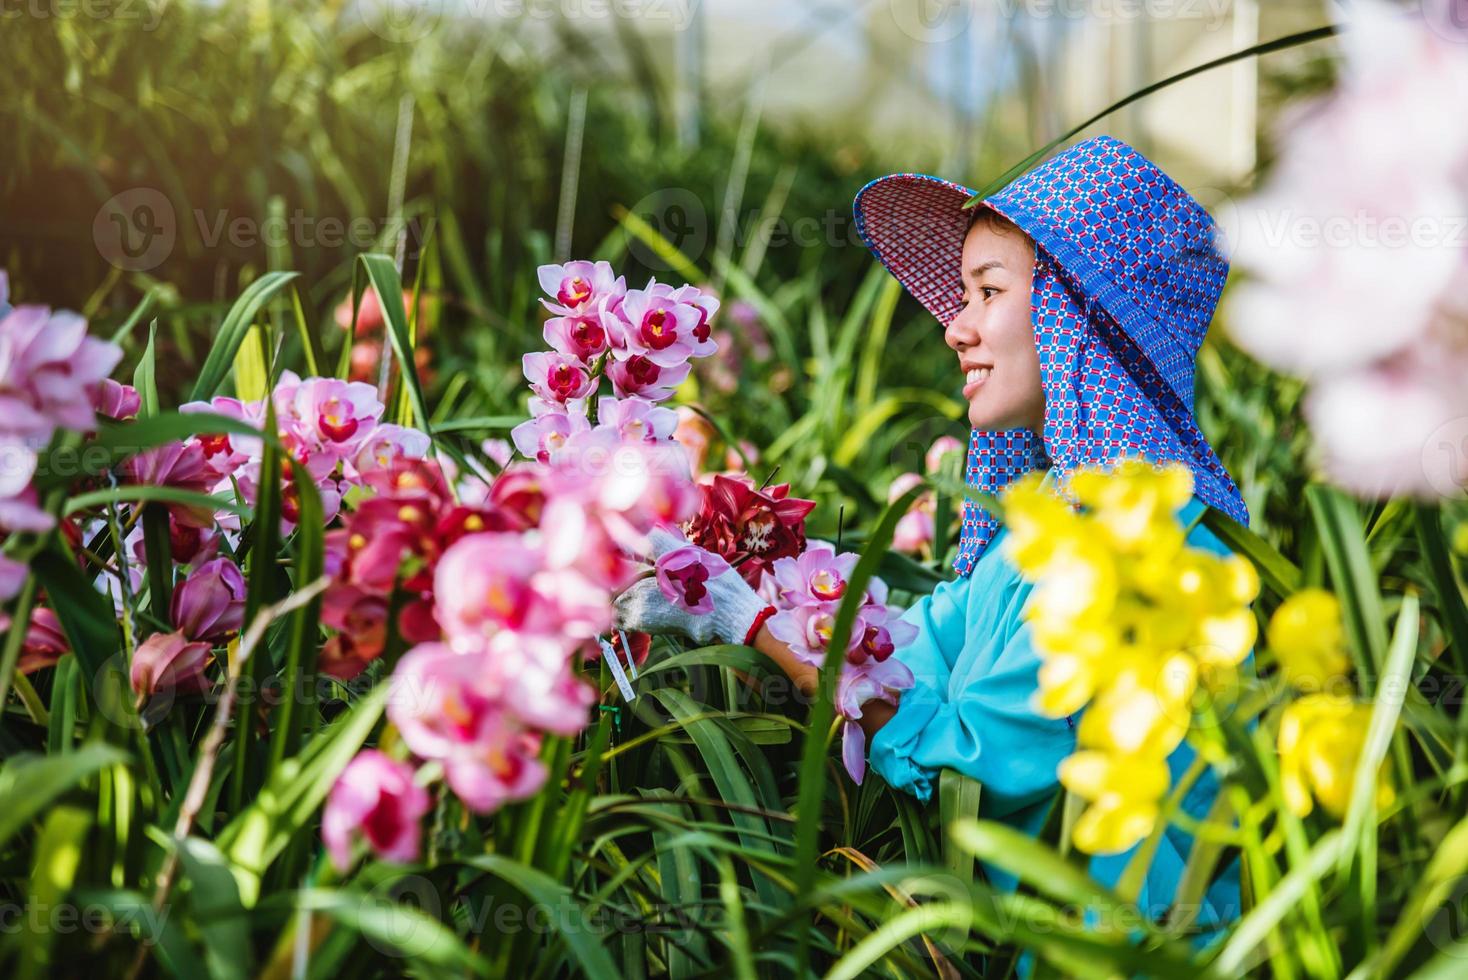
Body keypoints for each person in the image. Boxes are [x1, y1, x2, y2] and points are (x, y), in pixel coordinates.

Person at [614, 135, 1250, 952]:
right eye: (963, 295)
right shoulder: (1057, 517)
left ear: (1076, 318)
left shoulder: (1132, 548)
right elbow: (920, 637)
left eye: (989, 292)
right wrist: (749, 555)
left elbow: (966, 756)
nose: (956, 328)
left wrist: (743, 623)